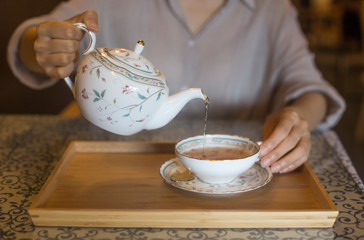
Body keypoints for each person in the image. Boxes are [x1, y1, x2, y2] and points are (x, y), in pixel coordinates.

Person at [7, 0, 346, 174]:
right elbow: (34, 35)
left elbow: (310, 87)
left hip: (231, 183)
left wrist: (296, 117)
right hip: (110, 167)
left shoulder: (271, 9)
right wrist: (44, 42)